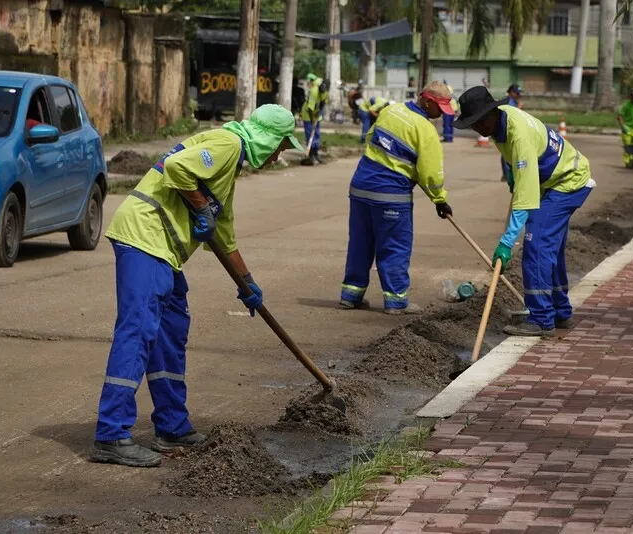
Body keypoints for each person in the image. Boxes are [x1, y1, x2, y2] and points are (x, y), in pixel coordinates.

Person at [90, 104, 302, 468]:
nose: (280, 155)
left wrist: (247, 284)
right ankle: (111, 434)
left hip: (164, 251)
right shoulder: (228, 144)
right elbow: (177, 168)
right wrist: (201, 207)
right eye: (283, 146)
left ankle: (172, 426)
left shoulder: (229, 167)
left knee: (171, 332)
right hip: (144, 239)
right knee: (138, 332)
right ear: (270, 139)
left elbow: (225, 237)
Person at [455, 86, 595, 338]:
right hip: (554, 181)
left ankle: (541, 319)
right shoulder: (501, 121)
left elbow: (526, 199)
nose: (476, 130)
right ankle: (560, 312)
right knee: (551, 248)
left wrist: (507, 242)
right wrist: (512, 174)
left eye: (476, 123)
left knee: (537, 245)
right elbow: (517, 165)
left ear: (490, 114)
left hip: (566, 182)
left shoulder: (517, 134)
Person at [339, 81, 455, 315]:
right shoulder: (425, 129)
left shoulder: (390, 111)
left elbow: (371, 139)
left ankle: (350, 296)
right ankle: (396, 301)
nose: (441, 114)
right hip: (391, 196)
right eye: (439, 108)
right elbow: (431, 174)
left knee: (361, 244)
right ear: (426, 101)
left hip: (361, 188)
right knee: (394, 248)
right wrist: (439, 199)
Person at [301, 73, 329, 166]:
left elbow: (323, 102)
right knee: (310, 135)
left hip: (317, 114)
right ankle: (310, 155)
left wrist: (319, 113)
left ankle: (316, 154)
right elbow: (310, 108)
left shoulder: (324, 91)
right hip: (308, 115)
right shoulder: (313, 91)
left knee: (316, 135)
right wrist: (312, 119)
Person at [499, 84, 524, 181]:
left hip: (509, 129)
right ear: (511, 92)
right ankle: (506, 174)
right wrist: (520, 108)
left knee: (509, 152)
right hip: (506, 129)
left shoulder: (512, 101)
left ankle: (507, 174)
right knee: (507, 152)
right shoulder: (508, 101)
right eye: (517, 93)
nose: (519, 95)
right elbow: (511, 114)